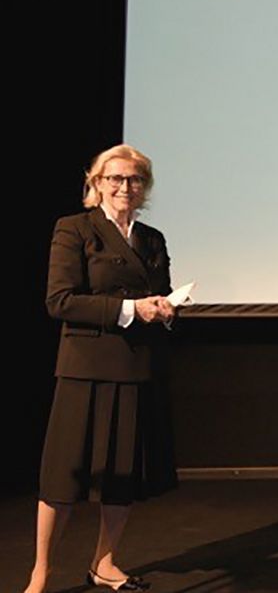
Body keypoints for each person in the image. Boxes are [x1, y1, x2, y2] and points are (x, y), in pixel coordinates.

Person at [25, 144, 177, 593]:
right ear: (96, 183)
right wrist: (132, 309)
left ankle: (105, 563)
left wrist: (168, 310)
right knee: (63, 476)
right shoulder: (74, 229)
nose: (124, 187)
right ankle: (41, 573)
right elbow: (61, 301)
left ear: (144, 187)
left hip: (136, 367)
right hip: (85, 368)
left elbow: (162, 291)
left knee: (122, 476)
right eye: (115, 178)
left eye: (133, 179)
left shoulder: (152, 239)